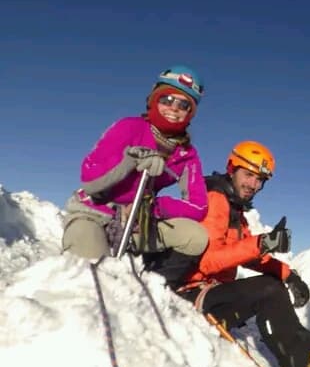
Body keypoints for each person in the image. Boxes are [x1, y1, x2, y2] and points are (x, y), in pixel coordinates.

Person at [173, 140, 310, 367]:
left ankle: (308, 354)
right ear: (232, 169)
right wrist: (261, 243)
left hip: (210, 292)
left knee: (272, 283)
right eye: (248, 175)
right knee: (268, 291)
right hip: (188, 297)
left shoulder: (234, 209)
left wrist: (288, 274)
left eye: (260, 180)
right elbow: (205, 261)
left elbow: (248, 253)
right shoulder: (214, 199)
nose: (253, 184)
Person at [61, 66, 210, 289]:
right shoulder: (129, 127)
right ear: (153, 99)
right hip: (95, 214)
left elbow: (198, 206)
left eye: (184, 105)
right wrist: (129, 161)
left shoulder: (186, 155)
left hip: (137, 223)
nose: (174, 108)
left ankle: (151, 286)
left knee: (195, 237)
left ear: (190, 113)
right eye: (167, 99)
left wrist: (152, 209)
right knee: (93, 277)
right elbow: (90, 180)